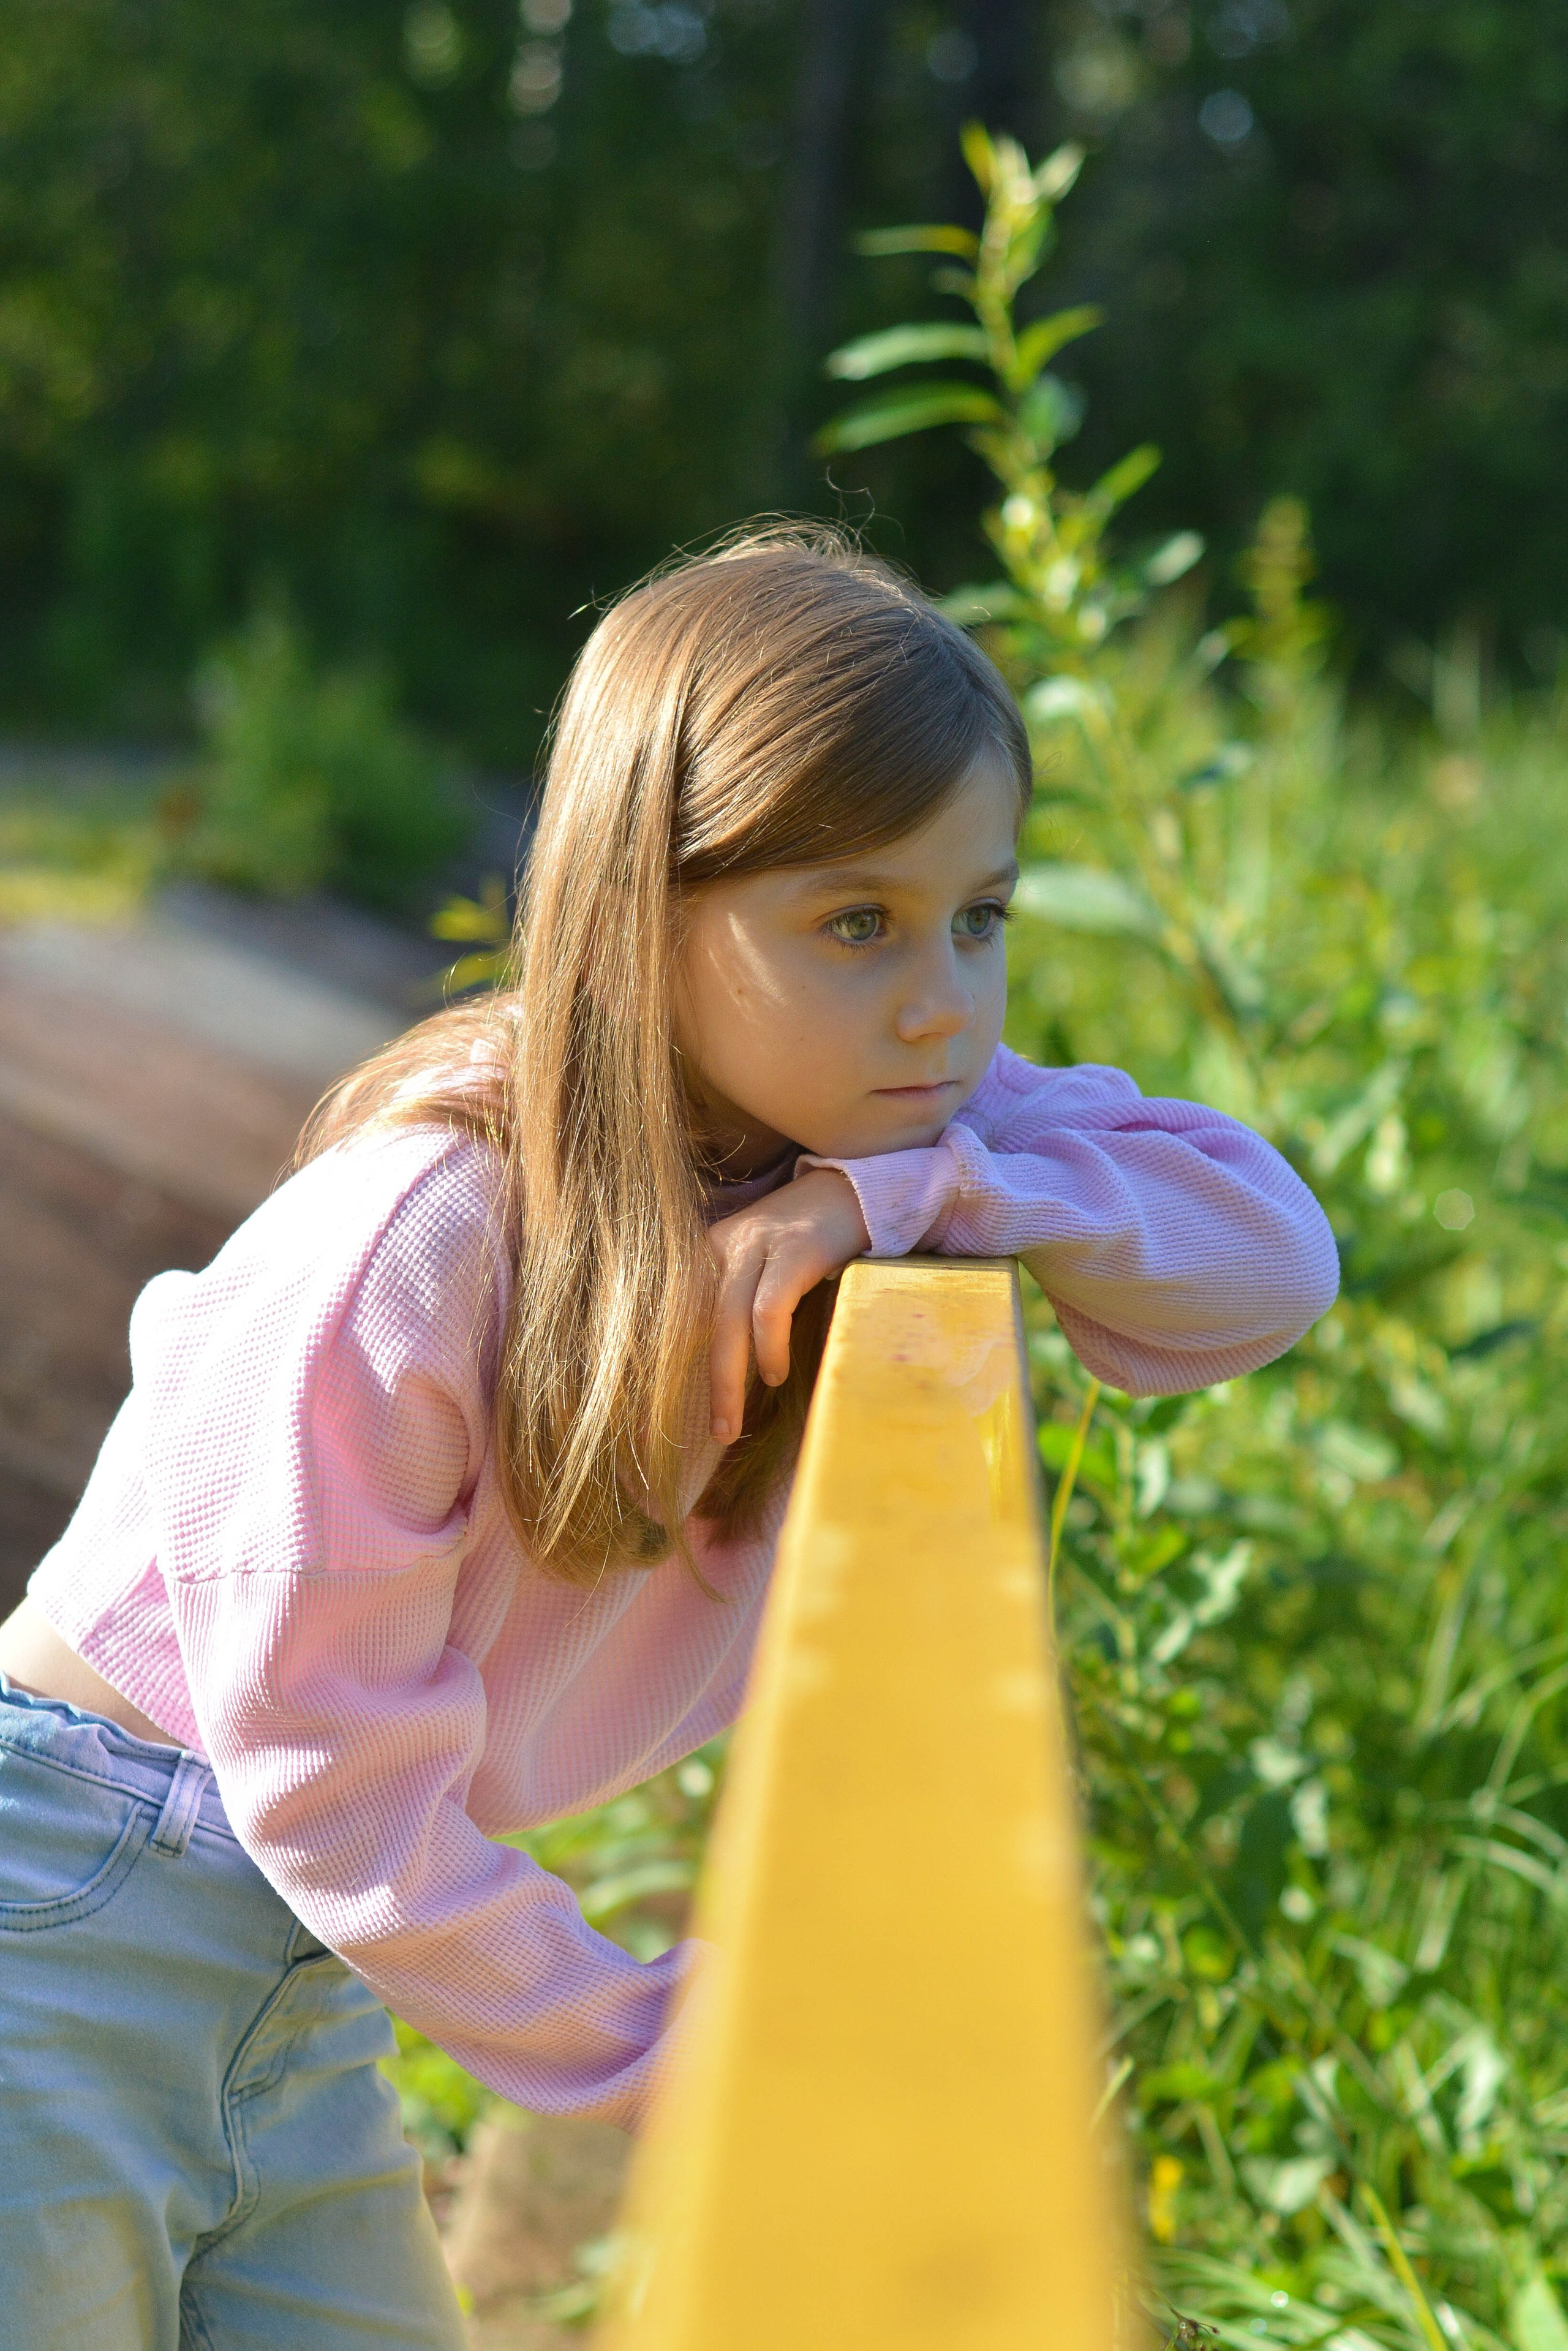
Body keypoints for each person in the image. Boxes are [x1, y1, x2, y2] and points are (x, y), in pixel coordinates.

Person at [0, 529, 1338, 2347]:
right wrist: (658, 2042)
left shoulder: (874, 1121)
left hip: (299, 1962)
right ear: (644, 912)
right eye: (856, 922)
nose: (946, 997)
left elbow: (1267, 1255)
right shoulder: (423, 1230)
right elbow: (323, 1757)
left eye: (982, 915)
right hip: (71, 1908)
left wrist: (904, 1194)